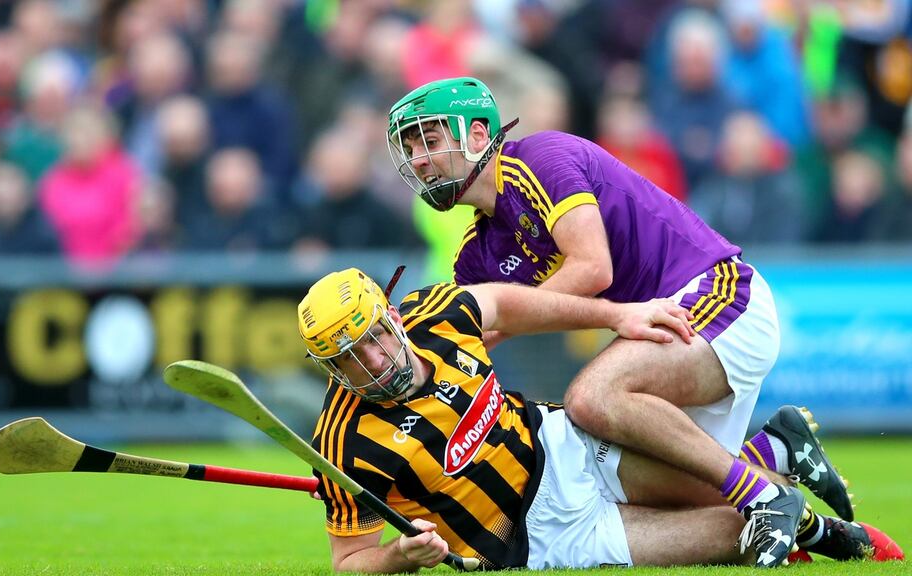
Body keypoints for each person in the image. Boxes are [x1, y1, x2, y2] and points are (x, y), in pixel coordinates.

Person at [384, 76, 852, 566]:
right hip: (665, 327)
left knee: (592, 398)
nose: (418, 160)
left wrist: (509, 318)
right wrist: (393, 368)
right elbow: (461, 347)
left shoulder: (537, 160)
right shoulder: (477, 254)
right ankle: (780, 458)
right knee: (638, 481)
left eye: (430, 142)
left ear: (479, 135)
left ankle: (765, 496)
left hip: (718, 295)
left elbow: (592, 267)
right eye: (411, 149)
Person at [296, 269, 902, 572]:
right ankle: (805, 499)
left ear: (391, 318)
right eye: (348, 358)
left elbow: (507, 302)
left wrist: (615, 315)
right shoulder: (344, 441)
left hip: (566, 447)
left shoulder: (437, 314)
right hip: (542, 539)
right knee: (732, 535)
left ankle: (772, 463)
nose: (372, 362)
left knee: (739, 493)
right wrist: (401, 556)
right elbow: (349, 562)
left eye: (374, 338)